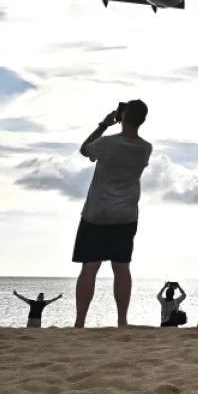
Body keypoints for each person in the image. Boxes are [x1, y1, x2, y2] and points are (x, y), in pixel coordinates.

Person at [73, 100, 152, 328]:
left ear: (123, 116)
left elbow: (85, 149)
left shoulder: (107, 143)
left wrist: (104, 124)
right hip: (126, 214)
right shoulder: (145, 148)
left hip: (97, 214)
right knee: (122, 267)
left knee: (89, 269)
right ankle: (121, 321)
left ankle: (80, 323)